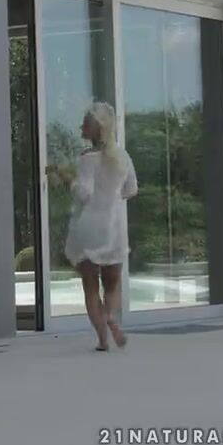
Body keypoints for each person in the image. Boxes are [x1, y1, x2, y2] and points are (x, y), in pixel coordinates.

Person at [63, 102, 138, 352]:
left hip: (90, 225)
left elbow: (84, 195)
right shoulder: (123, 156)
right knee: (112, 284)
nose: (80, 128)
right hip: (115, 226)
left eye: (85, 124)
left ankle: (103, 340)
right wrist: (111, 198)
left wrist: (70, 182)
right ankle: (111, 317)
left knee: (90, 285)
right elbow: (131, 189)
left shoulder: (87, 159)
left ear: (97, 128)